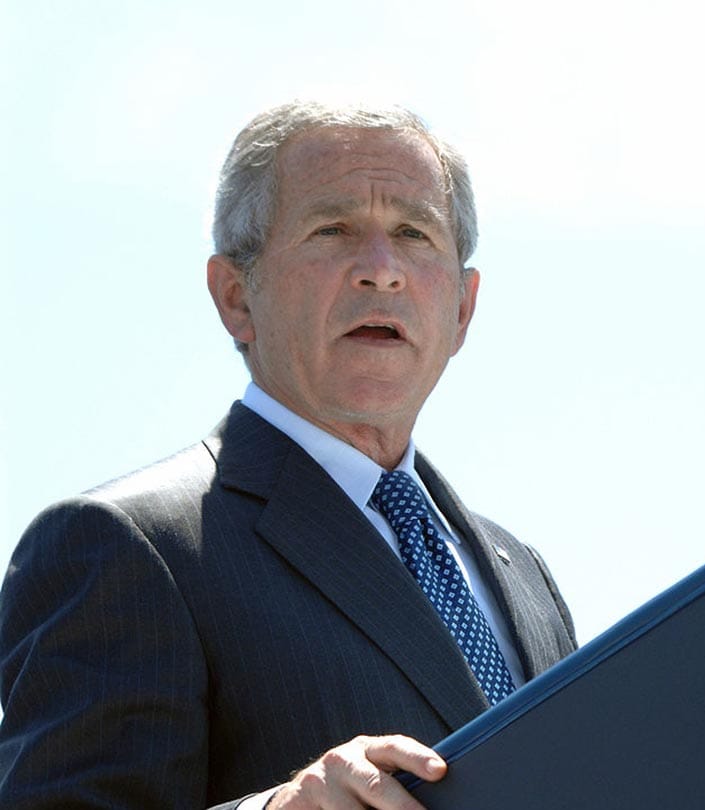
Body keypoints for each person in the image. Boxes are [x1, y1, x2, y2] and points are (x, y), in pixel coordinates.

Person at [0, 102, 578, 809]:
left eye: (413, 232)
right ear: (236, 297)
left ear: (462, 307)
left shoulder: (526, 579)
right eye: (333, 229)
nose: (381, 271)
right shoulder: (125, 548)